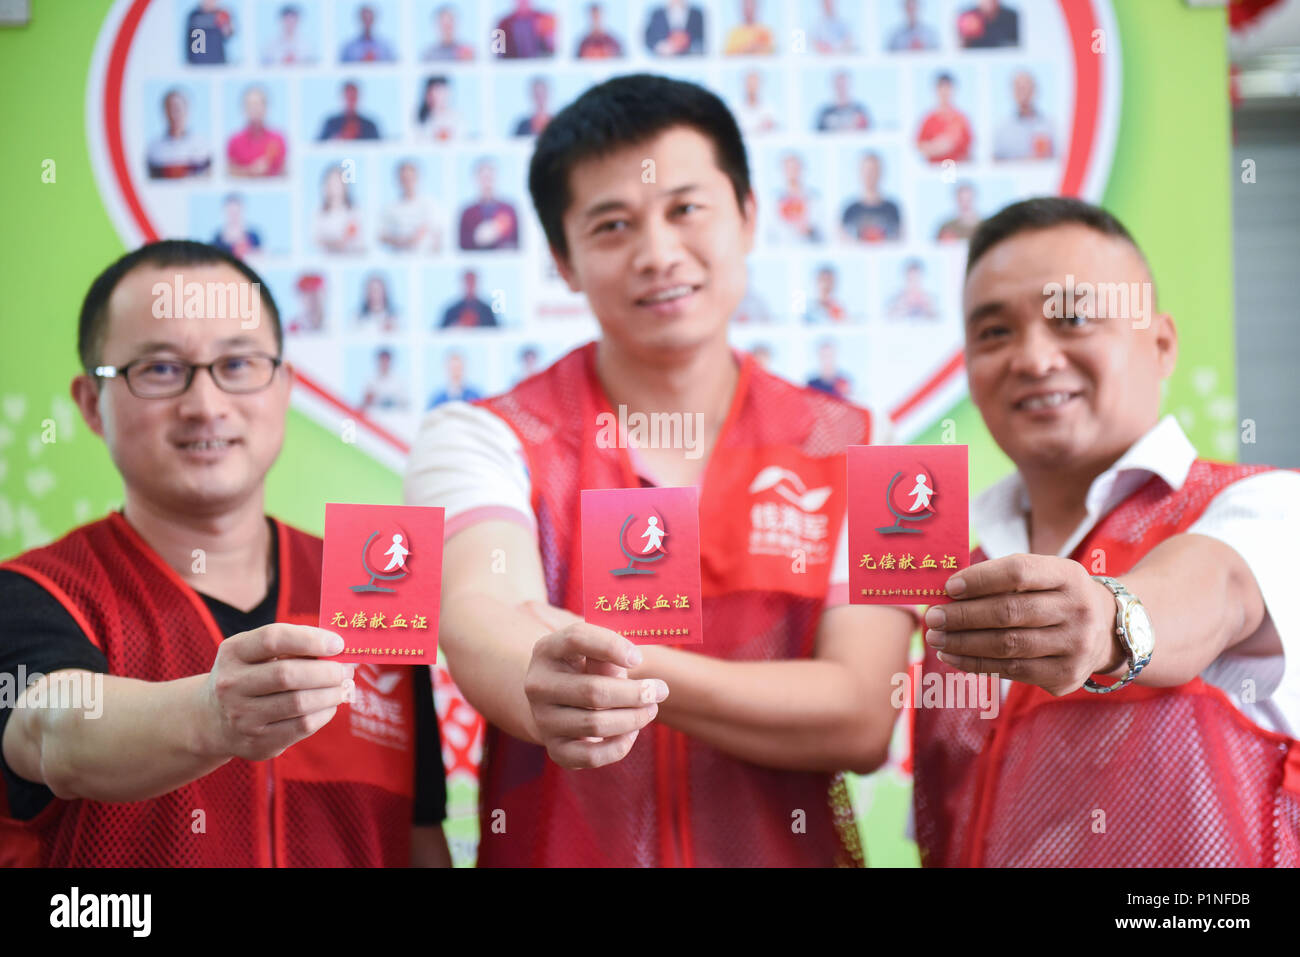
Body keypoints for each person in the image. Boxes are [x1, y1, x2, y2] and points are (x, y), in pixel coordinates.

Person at [404, 74, 914, 867]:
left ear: (747, 216)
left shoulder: (870, 447)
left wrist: (620, 671)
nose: (658, 254)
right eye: (612, 224)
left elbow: (860, 715)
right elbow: (483, 615)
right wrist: (533, 672)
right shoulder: (479, 436)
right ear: (564, 261)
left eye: (686, 208)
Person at [0, 240, 449, 866]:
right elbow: (54, 735)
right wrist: (212, 716)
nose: (206, 405)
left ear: (284, 386)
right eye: (159, 369)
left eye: (237, 364)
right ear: (89, 405)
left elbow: (419, 833)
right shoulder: (34, 594)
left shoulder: (376, 580)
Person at [913, 197, 1300, 867]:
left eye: (1074, 318)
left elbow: (1220, 588)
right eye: (995, 332)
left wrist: (1112, 621)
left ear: (1161, 343)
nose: (1034, 358)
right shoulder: (958, 570)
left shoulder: (1263, 506)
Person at [147, 88, 211, 179]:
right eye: (169, 109)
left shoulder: (202, 145)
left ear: (187, 110)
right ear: (164, 112)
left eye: (177, 109)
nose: (174, 115)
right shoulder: (154, 148)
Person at [380, 160, 442, 254]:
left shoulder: (430, 204)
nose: (407, 183)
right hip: (399, 259)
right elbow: (382, 236)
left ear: (418, 178)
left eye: (410, 178)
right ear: (398, 180)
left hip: (425, 258)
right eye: (404, 179)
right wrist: (399, 241)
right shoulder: (390, 208)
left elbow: (438, 233)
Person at [457, 158, 519, 251]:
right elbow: (461, 245)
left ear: (497, 178)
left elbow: (516, 243)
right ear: (476, 179)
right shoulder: (467, 213)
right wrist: (476, 239)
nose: (487, 183)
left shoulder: (509, 210)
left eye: (490, 178)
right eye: (484, 178)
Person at [227, 84, 287, 178]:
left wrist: (269, 170)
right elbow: (229, 170)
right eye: (250, 105)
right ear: (244, 108)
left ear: (266, 107)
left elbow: (284, 171)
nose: (254, 109)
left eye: (258, 104)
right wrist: (249, 171)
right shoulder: (234, 141)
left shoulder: (278, 139)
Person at [993, 71, 1055, 161]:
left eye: (1026, 87)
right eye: (1019, 88)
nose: (1023, 93)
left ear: (1034, 90)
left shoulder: (1050, 125)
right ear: (1013, 92)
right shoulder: (1002, 129)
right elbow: (995, 160)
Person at [840, 151, 901, 243]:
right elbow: (843, 240)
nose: (869, 175)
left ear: (880, 172)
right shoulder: (849, 210)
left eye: (873, 170)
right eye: (866, 171)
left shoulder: (893, 209)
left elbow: (899, 238)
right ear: (860, 173)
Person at [916, 71, 972, 164]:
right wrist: (935, 147)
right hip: (934, 171)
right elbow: (920, 146)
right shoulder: (929, 119)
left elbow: (968, 149)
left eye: (948, 88)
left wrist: (950, 145)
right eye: (941, 88)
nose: (945, 92)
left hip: (957, 169)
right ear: (936, 90)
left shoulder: (961, 119)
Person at [770, 153, 821, 244]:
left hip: (808, 248)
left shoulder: (814, 198)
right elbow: (770, 231)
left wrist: (810, 230)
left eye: (795, 168)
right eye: (788, 168)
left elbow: (823, 231)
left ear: (801, 169)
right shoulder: (773, 199)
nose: (792, 172)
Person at [314, 165, 365, 254]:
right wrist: (331, 243)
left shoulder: (355, 211)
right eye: (331, 182)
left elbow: (357, 239)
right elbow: (315, 239)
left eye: (338, 182)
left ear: (345, 186)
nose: (335, 187)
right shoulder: (319, 212)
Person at [210, 193, 261, 259]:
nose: (234, 216)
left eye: (237, 212)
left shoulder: (254, 236)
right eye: (231, 212)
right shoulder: (217, 238)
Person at [415, 75, 465, 142]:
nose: (436, 98)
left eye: (439, 93)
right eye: (431, 94)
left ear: (447, 93)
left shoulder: (456, 117)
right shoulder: (422, 117)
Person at [185, 0, 235, 65]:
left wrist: (227, 23)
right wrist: (189, 60)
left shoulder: (221, 13)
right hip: (197, 63)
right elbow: (188, 39)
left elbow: (228, 35)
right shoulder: (194, 15)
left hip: (218, 62)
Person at [360, 347, 407, 413]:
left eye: (386, 361)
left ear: (390, 362)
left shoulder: (399, 381)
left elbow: (405, 402)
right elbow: (364, 403)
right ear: (378, 361)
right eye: (382, 361)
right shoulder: (370, 381)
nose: (384, 364)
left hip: (395, 415)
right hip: (375, 416)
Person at [733, 70, 778, 135]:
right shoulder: (735, 109)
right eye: (749, 84)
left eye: (755, 84)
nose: (752, 87)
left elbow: (772, 131)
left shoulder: (768, 109)